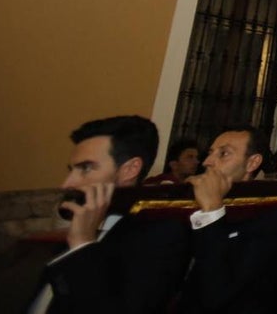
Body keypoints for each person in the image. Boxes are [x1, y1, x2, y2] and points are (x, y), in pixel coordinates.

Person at [29, 115, 191, 313]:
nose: (67, 184)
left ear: (130, 169)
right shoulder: (80, 225)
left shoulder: (161, 235)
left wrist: (82, 245)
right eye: (71, 170)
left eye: (86, 168)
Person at [179, 124, 277, 313]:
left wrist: (211, 211)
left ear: (252, 163)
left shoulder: (272, 217)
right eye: (210, 153)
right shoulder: (192, 204)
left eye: (223, 154)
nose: (207, 161)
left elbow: (217, 293)